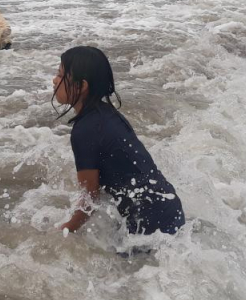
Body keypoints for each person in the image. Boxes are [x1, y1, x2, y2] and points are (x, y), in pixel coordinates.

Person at [53, 46, 185, 237]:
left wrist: (65, 229)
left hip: (148, 221)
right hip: (169, 207)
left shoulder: (84, 131)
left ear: (82, 86)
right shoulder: (109, 114)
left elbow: (90, 198)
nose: (54, 80)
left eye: (60, 75)